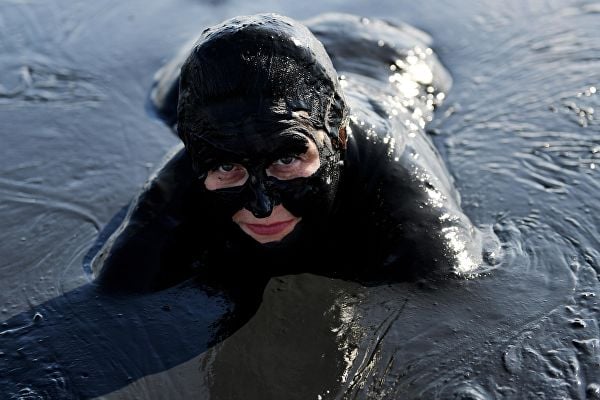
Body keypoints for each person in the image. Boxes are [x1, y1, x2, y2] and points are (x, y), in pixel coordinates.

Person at [94, 13, 487, 293]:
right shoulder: (196, 160)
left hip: (388, 58)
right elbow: (119, 285)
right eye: (228, 166)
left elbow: (459, 286)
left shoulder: (391, 167)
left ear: (339, 135)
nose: (261, 206)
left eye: (286, 160)